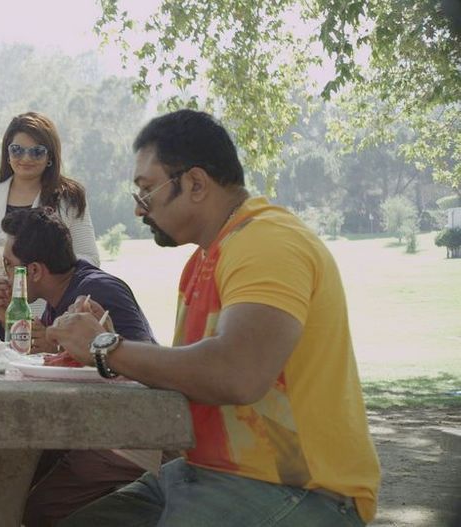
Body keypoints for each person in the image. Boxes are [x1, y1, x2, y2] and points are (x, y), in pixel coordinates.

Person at [48, 109, 380, 526]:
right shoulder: (205, 260)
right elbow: (197, 376)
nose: (139, 210)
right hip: (203, 475)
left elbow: (237, 373)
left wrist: (106, 348)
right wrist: (116, 348)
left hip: (300, 489)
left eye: (147, 191)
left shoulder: (267, 241)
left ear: (196, 183)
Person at [0, 207, 156, 526]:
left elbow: (144, 364)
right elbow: (57, 352)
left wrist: (60, 347)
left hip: (130, 436)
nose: (4, 273)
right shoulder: (62, 294)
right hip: (88, 424)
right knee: (11, 473)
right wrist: (12, 318)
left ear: (34, 271)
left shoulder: (99, 290)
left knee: (36, 509)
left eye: (9, 264)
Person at [0, 112, 100, 284]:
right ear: (7, 154)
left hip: (45, 296)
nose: (26, 158)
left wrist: (50, 259)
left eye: (37, 152)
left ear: (50, 156)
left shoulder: (70, 198)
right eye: (17, 150)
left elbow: (91, 259)